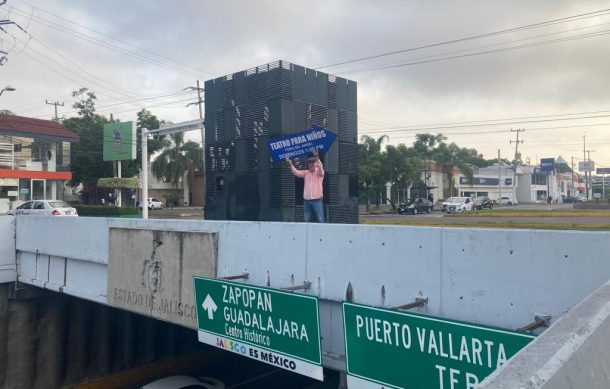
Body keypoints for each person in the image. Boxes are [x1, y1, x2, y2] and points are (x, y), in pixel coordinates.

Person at [286, 149, 325, 223]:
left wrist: (317, 157)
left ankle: (323, 234)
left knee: (321, 220)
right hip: (307, 201)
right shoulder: (306, 173)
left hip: (317, 201)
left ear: (316, 164)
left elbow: (321, 167)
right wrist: (290, 164)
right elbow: (296, 172)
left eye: (313, 163)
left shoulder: (320, 173)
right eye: (309, 163)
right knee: (307, 220)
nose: (311, 164)